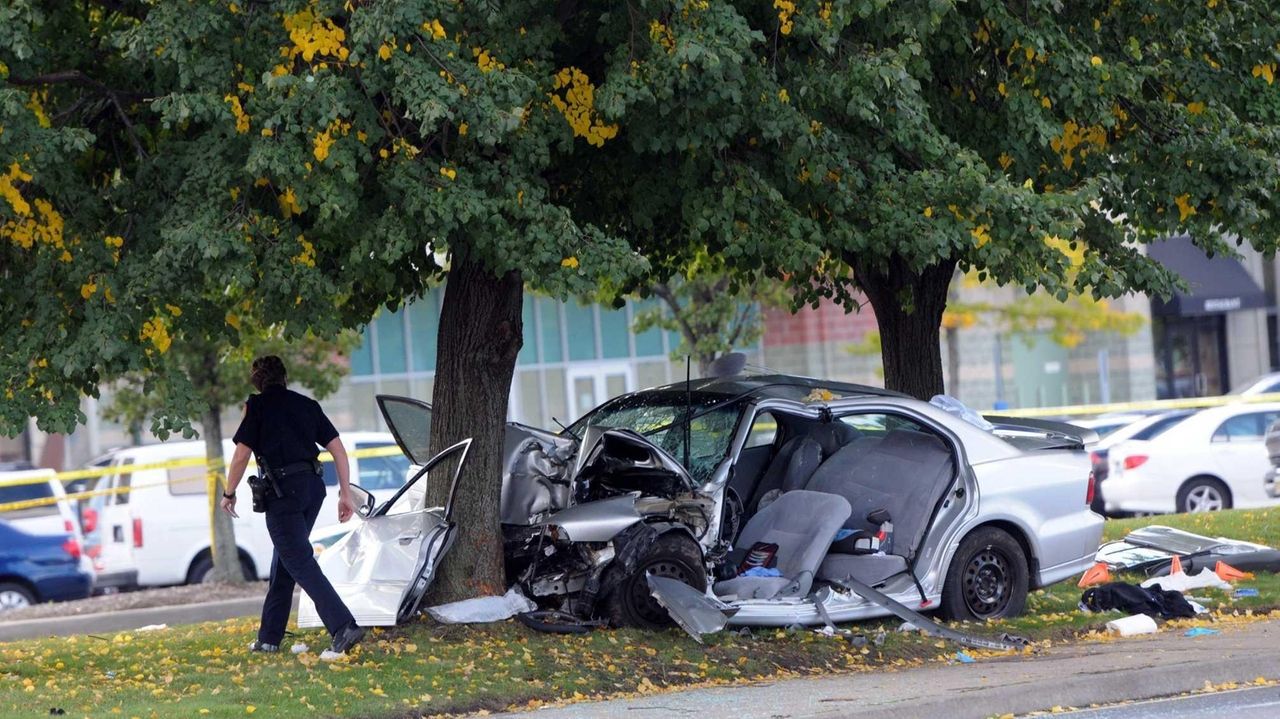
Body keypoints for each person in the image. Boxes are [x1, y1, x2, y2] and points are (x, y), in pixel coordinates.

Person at [220, 355, 364, 657]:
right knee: (286, 558)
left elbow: (241, 455)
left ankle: (343, 626)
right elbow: (338, 450)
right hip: (312, 489)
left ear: (257, 382)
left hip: (283, 493)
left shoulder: (256, 407)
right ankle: (269, 637)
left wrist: (229, 492)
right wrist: (345, 494)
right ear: (284, 378)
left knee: (298, 560)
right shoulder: (307, 405)